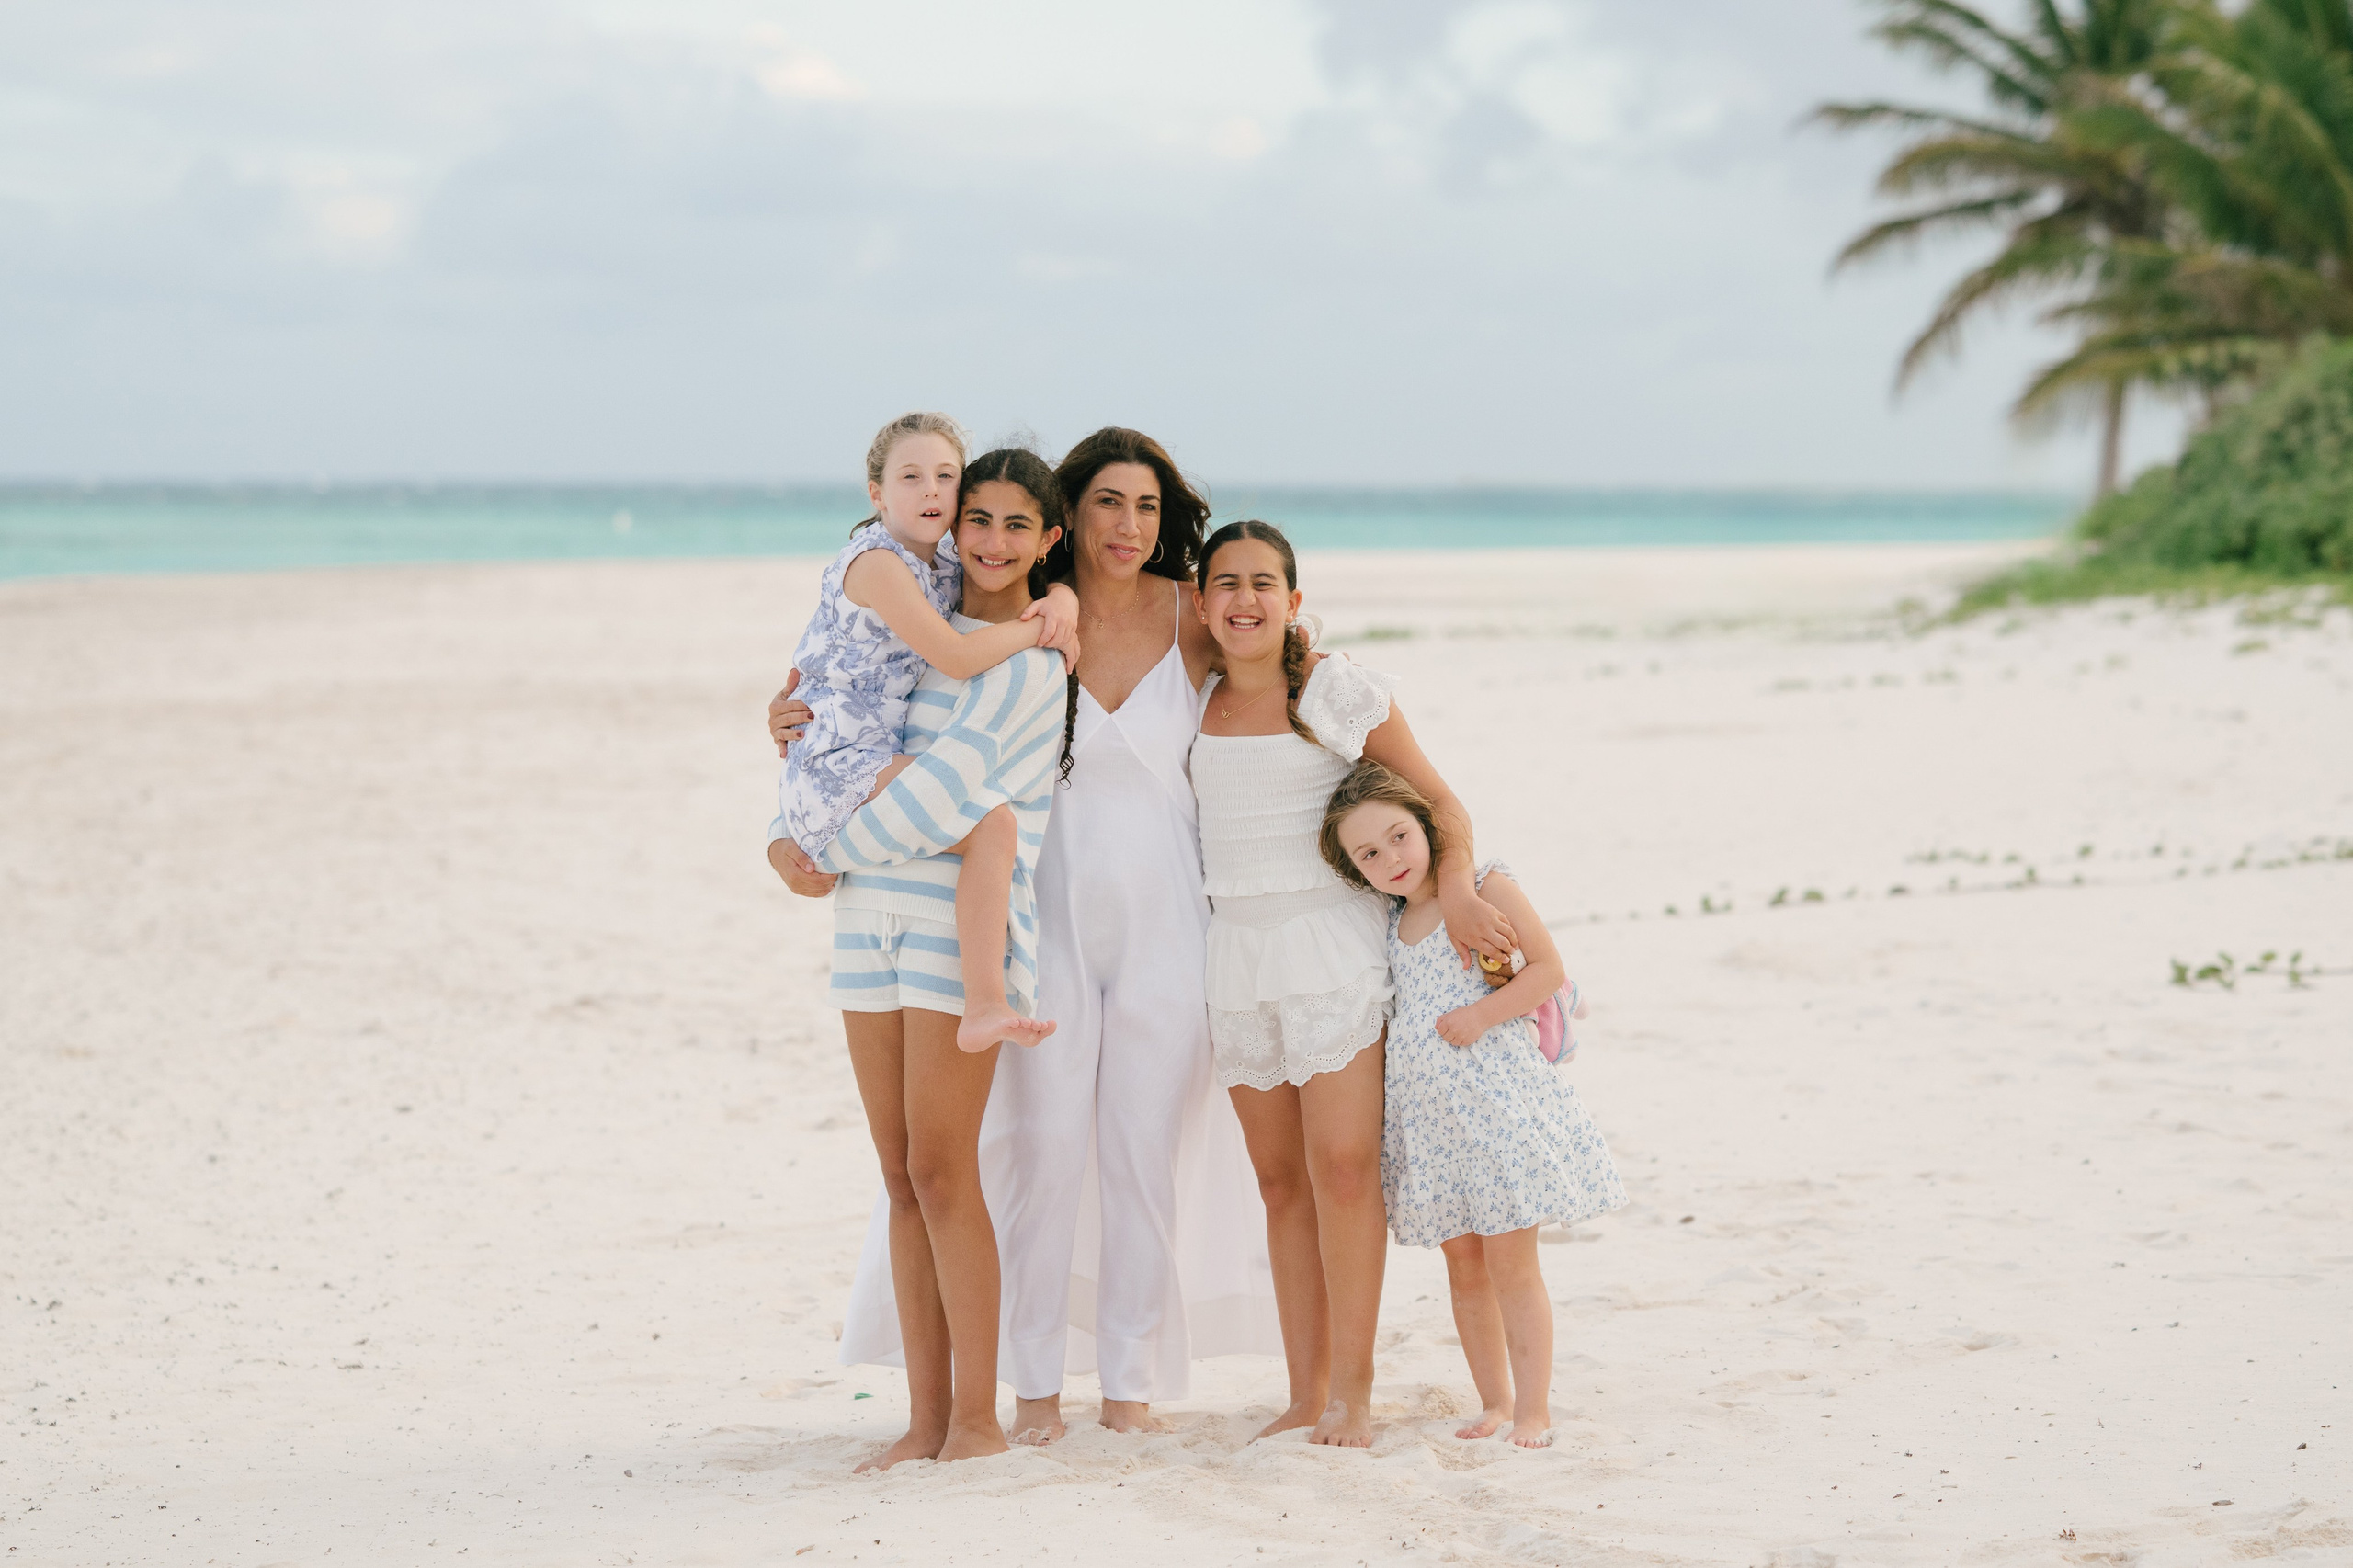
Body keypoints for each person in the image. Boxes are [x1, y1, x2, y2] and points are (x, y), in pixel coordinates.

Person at [770, 429, 1278, 1443]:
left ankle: (1127, 1385)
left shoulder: (1183, 614)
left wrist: (1438, 853)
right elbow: (855, 692)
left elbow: (1287, 673)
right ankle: (1031, 1388)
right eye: (1107, 503)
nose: (1127, 524)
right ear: (1072, 519)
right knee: (1038, 1148)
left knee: (1141, 1149)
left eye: (1144, 505)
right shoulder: (994, 616)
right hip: (1029, 905)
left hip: (1163, 915)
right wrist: (786, 726)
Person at [767, 448, 1074, 1469]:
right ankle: (924, 1419)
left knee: (947, 1175)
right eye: (973, 518)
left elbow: (950, 799)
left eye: (1013, 525)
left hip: (958, 936)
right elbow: (836, 726)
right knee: (900, 1176)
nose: (987, 540)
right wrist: (791, 813)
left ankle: (979, 1422)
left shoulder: (1029, 664)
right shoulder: (925, 638)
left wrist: (812, 848)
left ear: (1048, 538)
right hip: (868, 925)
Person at [1188, 519, 1516, 1448]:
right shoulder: (1194, 693)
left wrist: (1454, 889)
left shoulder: (1333, 688)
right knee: (1279, 1183)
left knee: (1341, 1171)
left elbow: (1441, 802)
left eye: (1263, 582)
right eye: (1225, 583)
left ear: (1293, 601)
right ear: (1202, 603)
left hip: (1331, 950)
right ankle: (1305, 1391)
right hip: (1236, 957)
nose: (1243, 598)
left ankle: (1353, 1396)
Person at [1322, 760, 1627, 1448]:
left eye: (1399, 836)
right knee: (1463, 1267)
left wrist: (1484, 1015)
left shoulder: (1486, 886)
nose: (1390, 859)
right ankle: (1493, 1401)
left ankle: (1534, 1410)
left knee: (1512, 1266)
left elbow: (1548, 970)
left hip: (1496, 1113)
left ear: (1427, 826)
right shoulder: (1392, 919)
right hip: (1434, 1130)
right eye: (1368, 854)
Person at [777, 412, 1075, 1052]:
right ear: (877, 493)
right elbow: (959, 658)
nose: (931, 491)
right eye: (910, 477)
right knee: (993, 825)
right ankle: (986, 1003)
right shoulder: (881, 563)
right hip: (841, 760)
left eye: (946, 477)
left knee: (994, 825)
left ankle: (984, 1003)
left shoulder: (936, 563)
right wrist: (1041, 629)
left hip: (861, 761)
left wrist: (1065, 600)